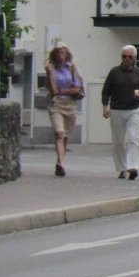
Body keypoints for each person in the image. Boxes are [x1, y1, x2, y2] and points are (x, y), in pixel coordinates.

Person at [101, 43, 139, 180]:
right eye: (124, 56)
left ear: (134, 58)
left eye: (129, 57)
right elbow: (106, 91)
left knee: (133, 138)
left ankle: (133, 167)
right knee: (118, 141)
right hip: (117, 109)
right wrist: (105, 106)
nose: (127, 59)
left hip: (134, 109)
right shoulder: (114, 72)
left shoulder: (138, 72)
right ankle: (122, 168)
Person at [45, 42, 84, 177]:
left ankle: (59, 160)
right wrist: (50, 74)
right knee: (59, 133)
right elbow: (53, 90)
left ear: (66, 54)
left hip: (70, 104)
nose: (60, 56)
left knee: (66, 135)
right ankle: (61, 163)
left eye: (62, 52)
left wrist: (63, 90)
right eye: (57, 53)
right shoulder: (51, 69)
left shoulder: (72, 68)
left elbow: (77, 88)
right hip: (56, 104)